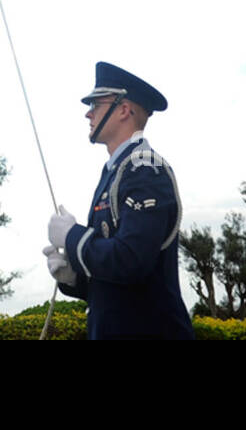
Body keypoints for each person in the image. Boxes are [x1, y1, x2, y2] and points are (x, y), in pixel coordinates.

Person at [44, 61, 193, 340]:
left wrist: (73, 237)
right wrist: (75, 278)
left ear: (123, 109)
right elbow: (117, 284)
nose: (88, 114)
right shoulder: (118, 170)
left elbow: (131, 261)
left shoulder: (145, 170)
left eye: (96, 104)